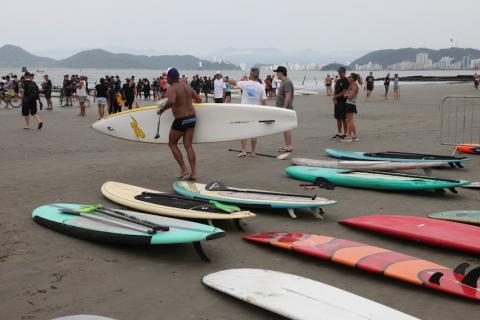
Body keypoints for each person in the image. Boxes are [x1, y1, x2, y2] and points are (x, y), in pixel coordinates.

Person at [157, 68, 202, 181]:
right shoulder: (187, 86)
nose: (166, 79)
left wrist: (162, 110)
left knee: (172, 143)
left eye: (167, 77)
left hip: (181, 119)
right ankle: (194, 173)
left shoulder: (172, 88)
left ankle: (183, 169)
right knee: (188, 145)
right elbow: (199, 99)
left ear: (171, 78)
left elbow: (171, 101)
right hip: (192, 118)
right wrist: (186, 103)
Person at [228, 68, 267, 157]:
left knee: (243, 130)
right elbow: (264, 101)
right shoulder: (261, 86)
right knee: (254, 131)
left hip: (244, 111)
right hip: (255, 111)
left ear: (251, 75)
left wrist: (227, 79)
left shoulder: (245, 83)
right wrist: (264, 112)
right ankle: (253, 152)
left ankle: (244, 150)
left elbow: (233, 82)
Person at [274, 66, 294, 153]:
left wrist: (284, 108)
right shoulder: (283, 82)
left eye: (277, 72)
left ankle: (289, 146)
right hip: (283, 108)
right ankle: (287, 145)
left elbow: (288, 95)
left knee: (287, 128)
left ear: (281, 73)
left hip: (286, 108)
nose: (276, 74)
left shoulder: (287, 82)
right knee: (285, 128)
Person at [342, 73, 362, 143]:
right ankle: (355, 136)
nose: (348, 78)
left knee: (349, 120)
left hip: (351, 104)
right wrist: (347, 95)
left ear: (353, 79)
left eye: (349, 77)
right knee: (349, 120)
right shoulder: (350, 86)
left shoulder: (355, 86)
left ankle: (349, 136)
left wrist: (347, 95)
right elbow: (344, 95)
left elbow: (350, 97)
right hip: (348, 104)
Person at [332, 67, 349, 139]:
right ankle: (339, 133)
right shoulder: (338, 81)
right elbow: (335, 91)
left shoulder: (346, 81)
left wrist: (335, 97)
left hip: (343, 102)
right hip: (337, 102)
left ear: (344, 72)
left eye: (341, 72)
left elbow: (344, 92)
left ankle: (345, 133)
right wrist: (334, 98)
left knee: (343, 118)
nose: (339, 73)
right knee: (338, 118)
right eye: (339, 72)